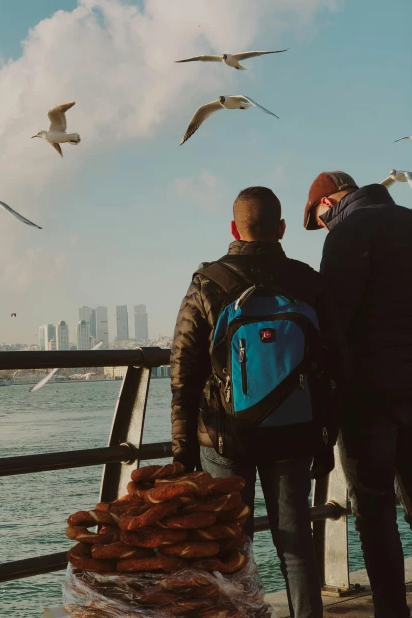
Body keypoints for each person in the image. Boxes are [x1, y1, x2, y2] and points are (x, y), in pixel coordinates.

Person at [171, 186, 341, 618]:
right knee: (296, 545)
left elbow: (183, 372)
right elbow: (332, 365)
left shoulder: (209, 281)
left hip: (226, 437)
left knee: (232, 547)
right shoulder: (307, 280)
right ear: (282, 228)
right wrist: (325, 439)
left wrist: (182, 451)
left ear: (234, 228)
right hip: (295, 431)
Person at [304, 170, 412, 618]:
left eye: (320, 221)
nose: (324, 230)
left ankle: (391, 611)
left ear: (327, 205)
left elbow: (335, 323)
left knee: (374, 507)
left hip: (370, 395)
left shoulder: (348, 233)